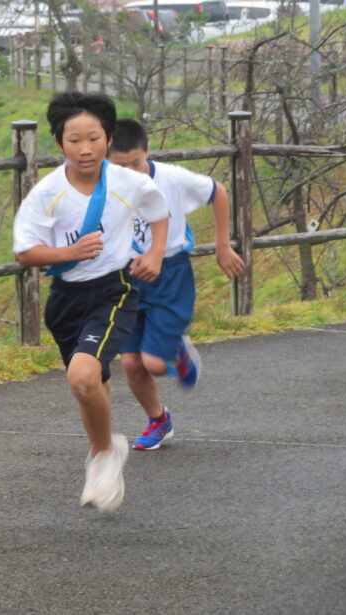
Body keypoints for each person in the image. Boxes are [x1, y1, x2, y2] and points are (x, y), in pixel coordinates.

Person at [13, 93, 170, 512]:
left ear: (109, 138)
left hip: (113, 290)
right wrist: (70, 253)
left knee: (81, 377)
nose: (85, 149)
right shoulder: (46, 193)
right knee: (91, 386)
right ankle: (103, 450)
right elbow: (26, 253)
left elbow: (158, 210)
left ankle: (103, 455)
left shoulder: (128, 182)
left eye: (94, 138)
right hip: (65, 300)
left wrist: (154, 253)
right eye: (74, 140)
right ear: (60, 143)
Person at [108, 118, 245, 451]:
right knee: (129, 362)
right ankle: (159, 420)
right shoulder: (104, 184)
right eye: (120, 167)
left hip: (170, 275)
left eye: (136, 164)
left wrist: (222, 245)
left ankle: (178, 351)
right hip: (129, 278)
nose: (131, 173)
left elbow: (218, 192)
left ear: (148, 153)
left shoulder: (172, 178)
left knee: (153, 364)